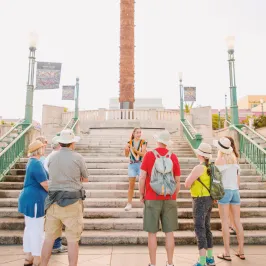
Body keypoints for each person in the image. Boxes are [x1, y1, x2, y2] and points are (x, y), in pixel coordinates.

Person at [41, 129, 89, 266]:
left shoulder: (51, 157)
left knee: (48, 239)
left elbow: (50, 174)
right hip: (72, 202)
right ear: (72, 143)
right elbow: (85, 178)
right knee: (73, 240)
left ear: (60, 142)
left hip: (53, 202)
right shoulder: (78, 157)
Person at [139, 130, 181, 266]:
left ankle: (153, 263)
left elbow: (142, 177)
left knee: (152, 233)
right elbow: (177, 180)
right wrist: (174, 196)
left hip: (152, 197)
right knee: (169, 233)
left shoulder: (149, 155)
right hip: (169, 197)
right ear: (167, 143)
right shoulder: (173, 157)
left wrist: (141, 194)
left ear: (157, 141)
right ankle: (170, 263)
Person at [214, 137, 245, 261]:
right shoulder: (234, 159)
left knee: (225, 222)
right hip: (235, 191)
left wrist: (215, 196)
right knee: (237, 221)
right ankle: (241, 251)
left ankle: (226, 252)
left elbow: (217, 181)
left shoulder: (219, 160)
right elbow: (237, 179)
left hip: (225, 192)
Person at [18, 140, 49, 266]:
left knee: (29, 228)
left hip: (28, 199)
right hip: (35, 200)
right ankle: (37, 258)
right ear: (39, 150)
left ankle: (28, 257)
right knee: (37, 229)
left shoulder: (31, 162)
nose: (44, 149)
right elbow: (45, 184)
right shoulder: (36, 163)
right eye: (42, 147)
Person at [184, 143, 215, 266]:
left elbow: (186, 183)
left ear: (200, 154)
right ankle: (210, 258)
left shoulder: (199, 168)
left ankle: (201, 261)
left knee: (199, 228)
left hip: (199, 200)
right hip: (209, 199)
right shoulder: (211, 167)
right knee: (207, 227)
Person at [43, 136, 68, 254]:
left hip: (54, 191)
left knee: (56, 219)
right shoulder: (55, 157)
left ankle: (56, 244)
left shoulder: (50, 157)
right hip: (56, 192)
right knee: (57, 220)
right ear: (59, 145)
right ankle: (56, 245)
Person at [124, 127, 147, 211]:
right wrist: (126, 150)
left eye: (140, 132)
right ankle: (129, 203)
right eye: (137, 132)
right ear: (133, 133)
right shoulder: (129, 143)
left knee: (143, 184)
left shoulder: (143, 142)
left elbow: (143, 153)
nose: (139, 134)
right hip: (132, 165)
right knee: (131, 185)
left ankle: (145, 202)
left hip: (141, 165)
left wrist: (135, 150)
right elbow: (126, 155)